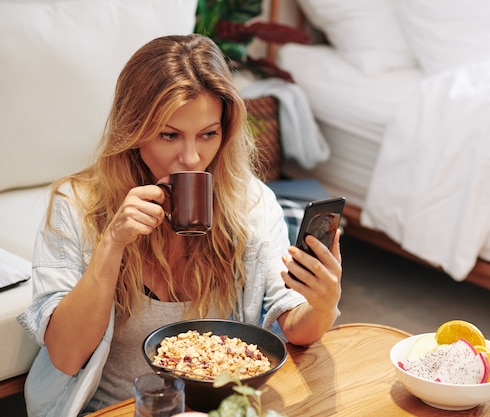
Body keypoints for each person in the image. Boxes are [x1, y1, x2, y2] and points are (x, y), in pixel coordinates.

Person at [17, 34, 342, 417]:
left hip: (217, 409)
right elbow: (67, 357)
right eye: (169, 135)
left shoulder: (249, 202)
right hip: (113, 409)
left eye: (208, 134)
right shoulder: (76, 206)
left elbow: (296, 327)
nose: (191, 158)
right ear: (133, 130)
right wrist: (112, 245)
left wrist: (324, 301)